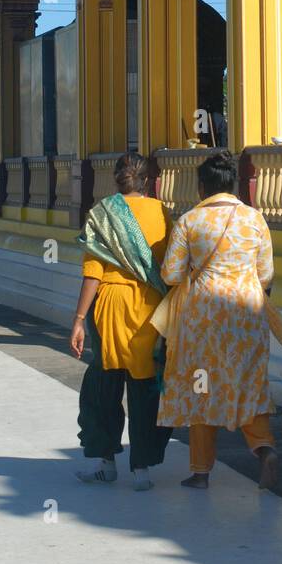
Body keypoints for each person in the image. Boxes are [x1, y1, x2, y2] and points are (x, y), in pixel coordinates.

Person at [158, 148, 278, 491]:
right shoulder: (255, 219)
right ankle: (264, 449)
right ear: (233, 184)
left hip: (203, 318)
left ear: (202, 187)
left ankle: (200, 472)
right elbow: (266, 275)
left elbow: (170, 274)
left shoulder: (189, 221)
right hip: (247, 315)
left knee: (202, 388)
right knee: (249, 384)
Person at [69, 153, 173, 491]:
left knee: (104, 386)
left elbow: (93, 273)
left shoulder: (102, 214)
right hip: (150, 308)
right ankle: (142, 469)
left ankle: (106, 462)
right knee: (145, 387)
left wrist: (79, 319)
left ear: (116, 179)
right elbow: (172, 268)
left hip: (110, 306)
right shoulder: (161, 212)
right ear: (147, 180)